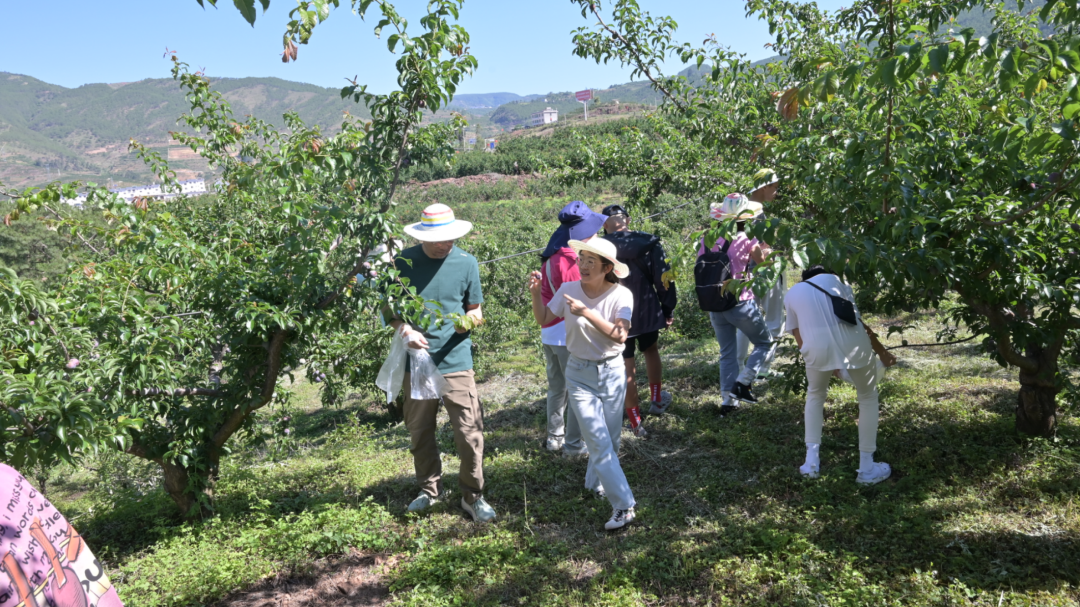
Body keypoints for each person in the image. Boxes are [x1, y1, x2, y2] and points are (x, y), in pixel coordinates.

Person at [385, 203, 496, 523]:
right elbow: (389, 313)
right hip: (417, 362)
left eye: (450, 238)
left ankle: (473, 496)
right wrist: (405, 329)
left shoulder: (466, 262)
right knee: (420, 430)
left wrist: (468, 322)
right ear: (422, 236)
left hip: (456, 360)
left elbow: (476, 309)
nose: (445, 244)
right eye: (438, 239)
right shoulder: (401, 263)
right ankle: (429, 490)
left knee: (469, 432)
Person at [527, 238, 638, 530]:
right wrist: (537, 295)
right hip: (577, 371)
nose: (584, 265)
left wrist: (586, 313)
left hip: (612, 370)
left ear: (608, 267)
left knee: (610, 439)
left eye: (592, 261)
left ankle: (595, 484)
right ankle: (623, 505)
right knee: (597, 438)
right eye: (582, 259)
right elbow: (544, 319)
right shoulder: (568, 290)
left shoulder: (621, 296)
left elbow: (620, 335)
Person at [784, 265, 898, 485]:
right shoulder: (839, 283)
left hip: (815, 349)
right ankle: (866, 468)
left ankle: (811, 463)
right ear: (826, 273)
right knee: (867, 397)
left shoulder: (793, 292)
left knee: (815, 395)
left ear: (804, 278)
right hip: (854, 345)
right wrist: (883, 353)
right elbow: (857, 322)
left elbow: (797, 333)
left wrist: (815, 356)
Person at [601, 204, 677, 433]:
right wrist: (667, 308)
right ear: (628, 220)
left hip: (616, 313)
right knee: (651, 351)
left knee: (627, 365)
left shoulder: (600, 247)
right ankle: (656, 401)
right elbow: (664, 277)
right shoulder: (649, 243)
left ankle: (635, 422)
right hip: (647, 308)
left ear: (604, 225)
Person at [538, 201, 606, 455]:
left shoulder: (553, 253)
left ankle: (555, 436)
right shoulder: (571, 260)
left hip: (550, 333)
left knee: (557, 387)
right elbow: (577, 300)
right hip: (570, 335)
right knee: (580, 389)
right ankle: (575, 444)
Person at [699, 193, 774, 413]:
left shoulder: (708, 238)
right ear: (745, 217)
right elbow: (764, 264)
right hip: (741, 302)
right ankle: (743, 383)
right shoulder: (746, 239)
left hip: (715, 302)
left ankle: (727, 402)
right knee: (764, 342)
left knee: (727, 353)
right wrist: (768, 253)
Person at [736, 169, 786, 380]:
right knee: (775, 319)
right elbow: (758, 246)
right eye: (774, 188)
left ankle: (738, 366)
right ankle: (763, 366)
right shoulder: (755, 210)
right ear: (764, 186)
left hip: (742, 274)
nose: (776, 192)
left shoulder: (739, 206)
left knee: (745, 319)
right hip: (761, 270)